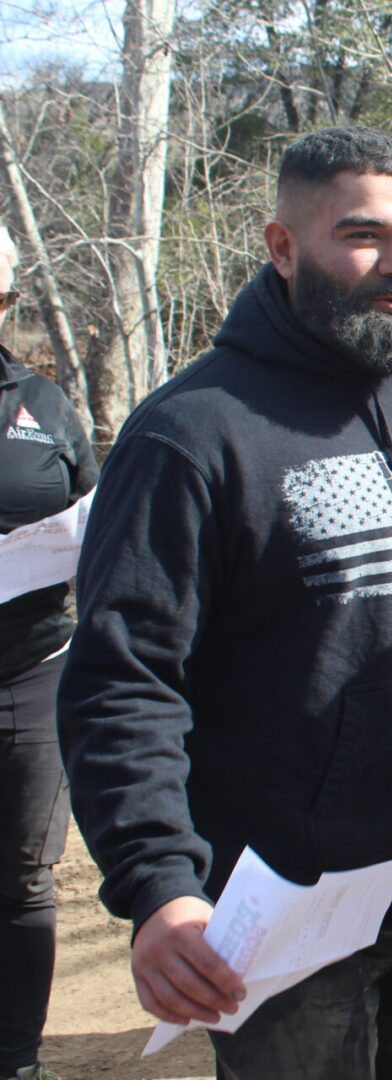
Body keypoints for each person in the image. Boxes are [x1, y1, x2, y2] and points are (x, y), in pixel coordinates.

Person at [56, 126, 392, 1080]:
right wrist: (161, 887)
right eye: (364, 236)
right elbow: (123, 680)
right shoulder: (191, 434)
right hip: (286, 895)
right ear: (284, 248)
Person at [0, 225, 98, 1080]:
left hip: (31, 668)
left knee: (26, 882)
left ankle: (17, 1060)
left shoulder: (42, 402)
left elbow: (91, 513)